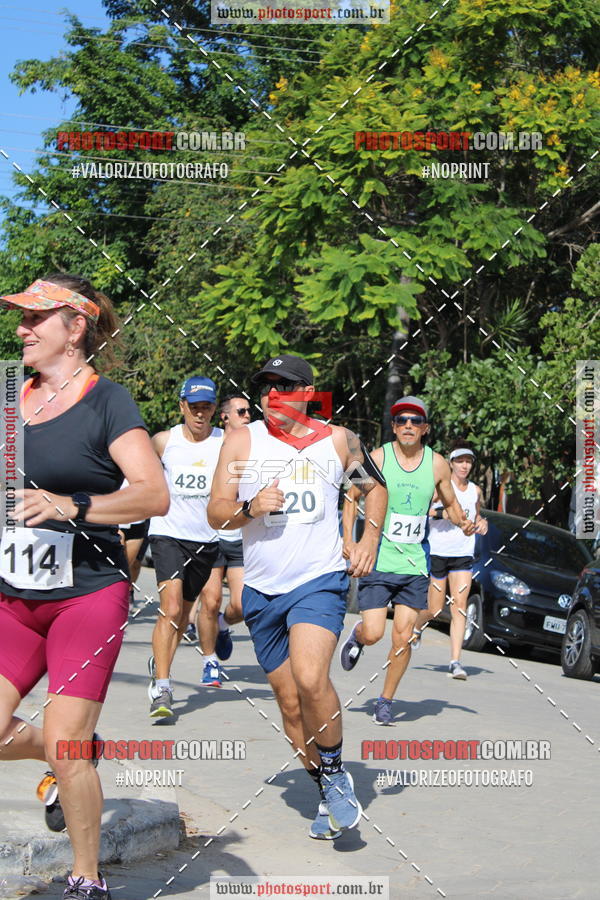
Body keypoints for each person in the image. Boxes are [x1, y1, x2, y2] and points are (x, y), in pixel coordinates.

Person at [0, 274, 169, 900]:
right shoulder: (8, 392)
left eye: (34, 320)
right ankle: (73, 751)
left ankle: (86, 878)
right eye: (19, 318)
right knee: (58, 742)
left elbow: (152, 493)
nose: (21, 329)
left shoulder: (109, 403)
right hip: (13, 596)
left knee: (68, 743)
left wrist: (71, 503)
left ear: (74, 328)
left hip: (87, 596)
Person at [208, 354, 387, 840]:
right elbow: (216, 513)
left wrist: (368, 540)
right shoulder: (241, 441)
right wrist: (248, 507)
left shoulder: (336, 440)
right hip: (263, 590)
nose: (270, 395)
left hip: (318, 579)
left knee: (311, 678)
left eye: (283, 386)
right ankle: (327, 785)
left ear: (307, 392)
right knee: (289, 707)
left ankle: (334, 775)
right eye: (264, 386)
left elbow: (374, 489)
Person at [339, 397, 475, 725]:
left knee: (403, 635)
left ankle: (385, 699)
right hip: (378, 559)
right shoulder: (377, 458)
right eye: (401, 421)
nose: (408, 426)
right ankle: (358, 636)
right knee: (374, 632)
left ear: (425, 428)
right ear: (394, 427)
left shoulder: (437, 464)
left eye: (415, 421)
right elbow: (349, 495)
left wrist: (463, 522)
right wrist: (349, 540)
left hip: (414, 565)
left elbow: (451, 502)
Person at [147, 376, 226, 717]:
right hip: (167, 534)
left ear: (213, 410)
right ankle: (162, 688)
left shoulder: (227, 442)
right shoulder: (163, 442)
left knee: (181, 617)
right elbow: (137, 477)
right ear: (181, 406)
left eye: (206, 407)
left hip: (206, 540)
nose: (199, 413)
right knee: (172, 605)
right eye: (193, 407)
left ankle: (160, 659)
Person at [412, 440, 488, 679]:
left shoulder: (475, 491)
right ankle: (417, 626)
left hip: (463, 555)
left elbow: (477, 516)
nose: (464, 466)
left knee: (460, 607)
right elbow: (421, 510)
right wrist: (442, 513)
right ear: (451, 463)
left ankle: (455, 662)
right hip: (437, 552)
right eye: (460, 461)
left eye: (468, 462)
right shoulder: (440, 489)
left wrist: (482, 522)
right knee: (434, 609)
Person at [187, 396, 251, 644]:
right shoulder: (209, 445)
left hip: (237, 536)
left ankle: (222, 626)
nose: (247, 415)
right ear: (225, 417)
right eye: (241, 411)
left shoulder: (253, 446)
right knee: (211, 599)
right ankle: (209, 660)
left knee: (242, 605)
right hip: (208, 535)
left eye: (249, 411)